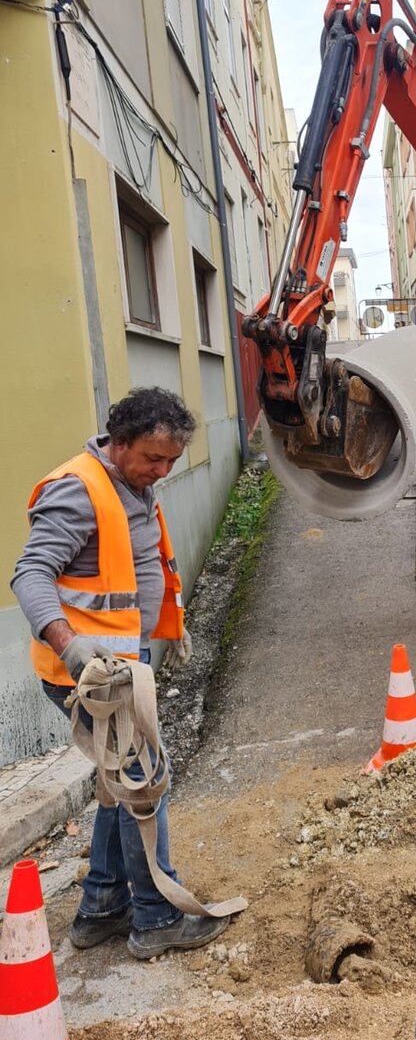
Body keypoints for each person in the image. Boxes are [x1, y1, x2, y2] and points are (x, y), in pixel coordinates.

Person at [12, 388, 231, 960]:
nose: (162, 471)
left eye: (171, 461)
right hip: (89, 676)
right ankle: (156, 919)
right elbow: (30, 574)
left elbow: (136, 566)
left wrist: (167, 623)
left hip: (122, 666)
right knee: (144, 780)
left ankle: (102, 907)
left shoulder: (132, 484)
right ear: (119, 442)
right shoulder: (76, 490)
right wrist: (70, 645)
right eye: (153, 458)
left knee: (118, 782)